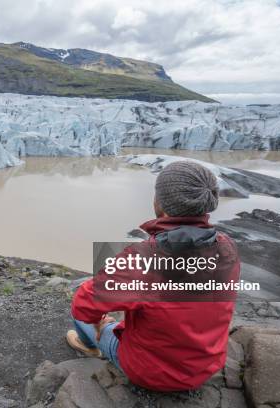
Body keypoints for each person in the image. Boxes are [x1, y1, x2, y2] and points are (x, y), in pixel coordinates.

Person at [67, 160, 241, 391]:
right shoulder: (226, 247)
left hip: (151, 373)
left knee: (81, 311)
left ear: (161, 203)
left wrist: (104, 316)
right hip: (206, 367)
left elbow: (83, 305)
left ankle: (90, 346)